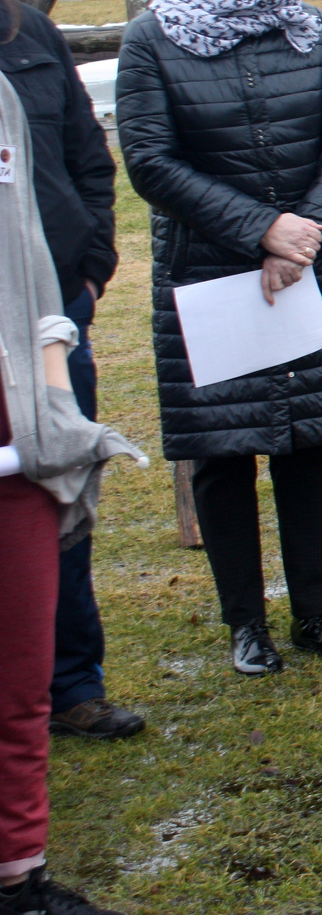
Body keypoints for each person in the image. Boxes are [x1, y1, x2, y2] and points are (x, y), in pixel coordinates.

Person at [117, 0, 322, 674]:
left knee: (306, 445)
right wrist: (259, 229)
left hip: (304, 266)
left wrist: (302, 234)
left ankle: (315, 613)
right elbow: (151, 161)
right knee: (224, 453)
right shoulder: (151, 40)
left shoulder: (307, 26)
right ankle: (246, 623)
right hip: (209, 274)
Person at [0, 66, 141, 915]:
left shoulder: (6, 92)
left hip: (22, 438)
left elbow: (26, 246)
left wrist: (51, 390)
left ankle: (21, 876)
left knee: (22, 673)